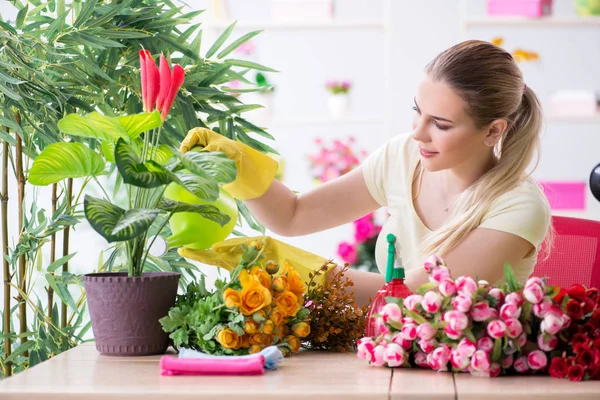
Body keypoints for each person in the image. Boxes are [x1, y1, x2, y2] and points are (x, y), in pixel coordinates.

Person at [180, 40, 552, 306]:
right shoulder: (403, 157)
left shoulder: (517, 205)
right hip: (391, 355)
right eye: (417, 111)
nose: (418, 133)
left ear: (493, 131)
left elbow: (413, 296)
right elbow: (293, 215)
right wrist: (238, 165)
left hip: (476, 375)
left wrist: (293, 268)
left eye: (440, 124)